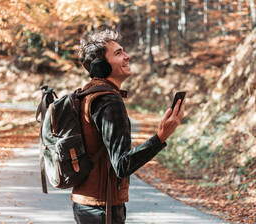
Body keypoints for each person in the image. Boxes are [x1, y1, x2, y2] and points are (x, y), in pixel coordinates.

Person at [72, 29, 185, 224]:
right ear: (100, 66)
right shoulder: (108, 101)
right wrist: (161, 137)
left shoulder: (86, 95)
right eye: (118, 53)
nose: (127, 56)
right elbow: (122, 165)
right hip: (103, 207)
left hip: (86, 204)